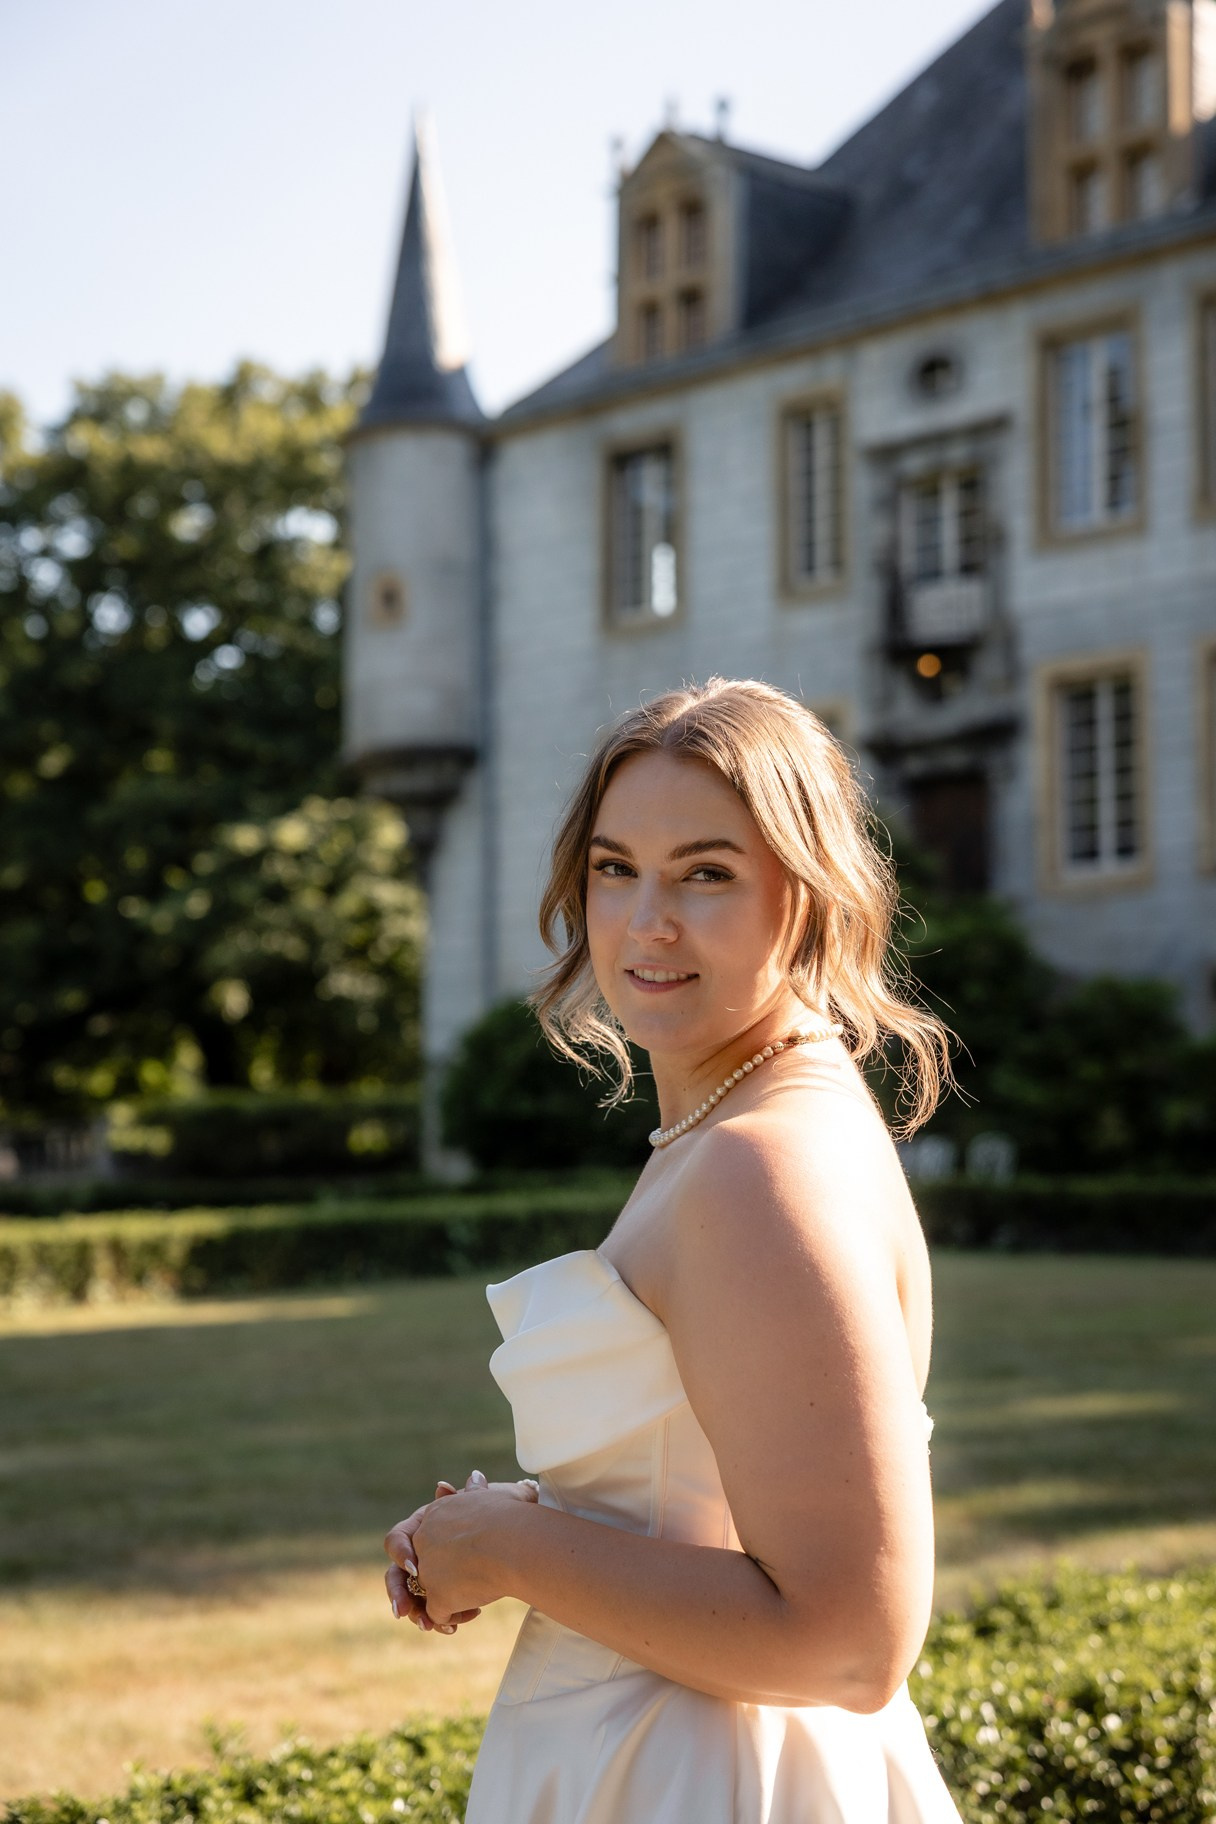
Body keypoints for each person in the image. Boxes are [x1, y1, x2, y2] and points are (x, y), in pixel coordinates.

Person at [384, 677, 963, 1822]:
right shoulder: (739, 1122)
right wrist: (515, 1528)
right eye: (615, 869)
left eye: (706, 874)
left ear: (802, 894)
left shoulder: (757, 1163)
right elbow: (703, 1504)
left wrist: (506, 1547)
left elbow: (851, 1642)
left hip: (709, 1776)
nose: (646, 924)